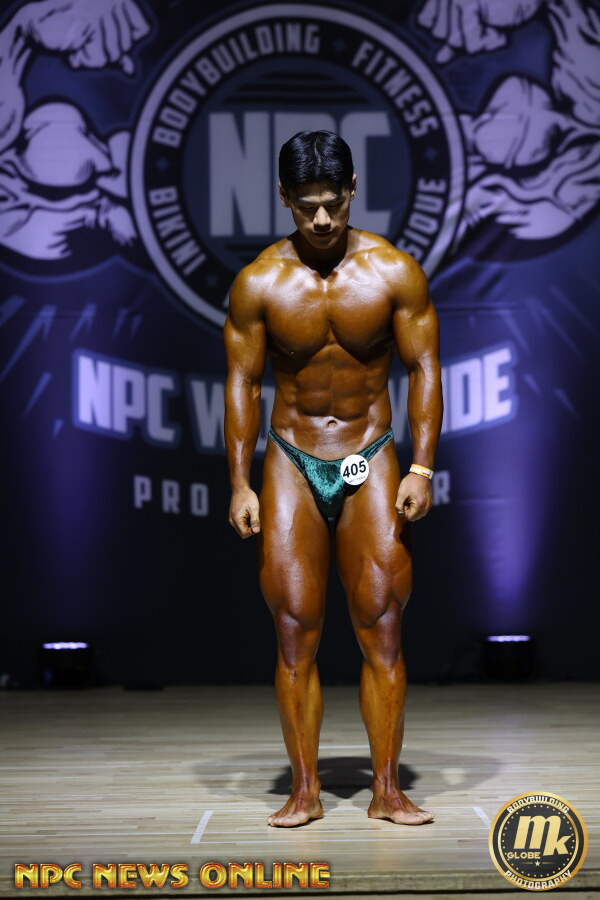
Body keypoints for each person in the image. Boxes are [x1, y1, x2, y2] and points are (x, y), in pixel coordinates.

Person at [224, 131, 443, 828]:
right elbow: (243, 383)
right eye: (306, 205)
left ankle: (387, 790)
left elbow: (424, 368)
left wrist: (421, 465)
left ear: (352, 191)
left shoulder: (393, 272)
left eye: (332, 203)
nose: (321, 219)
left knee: (382, 622)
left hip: (368, 452)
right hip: (292, 455)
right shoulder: (259, 282)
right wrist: (239, 483)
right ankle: (305, 789)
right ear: (284, 198)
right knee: (295, 627)